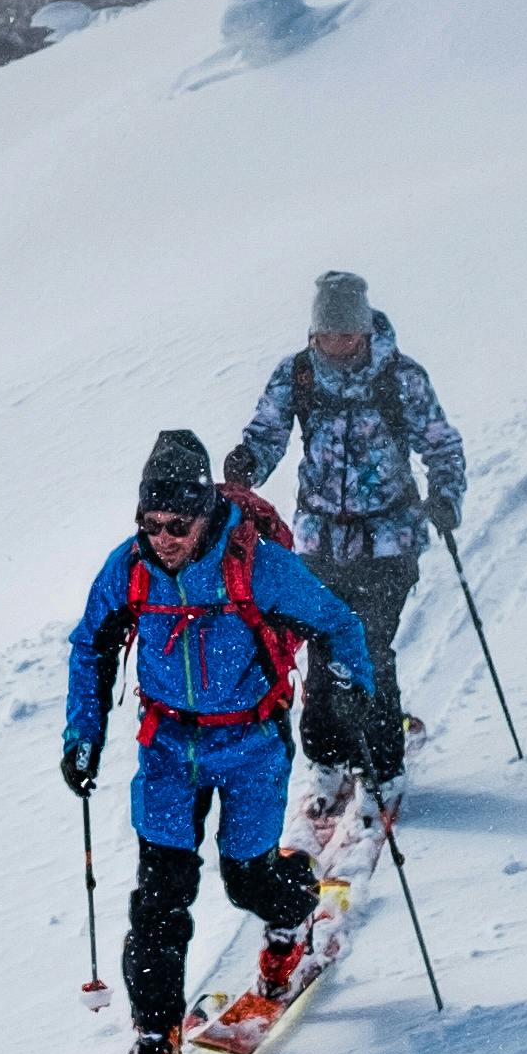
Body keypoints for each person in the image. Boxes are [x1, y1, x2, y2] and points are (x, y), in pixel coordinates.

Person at [62, 428, 376, 1054]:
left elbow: (338, 624)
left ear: (204, 512)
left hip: (250, 742)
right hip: (166, 748)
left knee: (247, 880)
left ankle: (292, 920)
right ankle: (153, 1032)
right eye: (148, 524)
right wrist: (80, 734)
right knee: (159, 896)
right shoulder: (128, 569)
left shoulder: (257, 566)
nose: (161, 538)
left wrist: (351, 689)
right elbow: (90, 646)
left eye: (175, 524)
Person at [225, 270, 464, 815]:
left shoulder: (401, 378)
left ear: (363, 330)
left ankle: (383, 766)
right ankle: (328, 758)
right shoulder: (299, 376)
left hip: (389, 538)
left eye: (344, 335)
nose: (333, 345)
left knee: (368, 651)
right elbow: (266, 434)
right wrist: (247, 466)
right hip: (318, 540)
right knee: (322, 647)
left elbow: (441, 445)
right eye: (324, 335)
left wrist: (446, 496)